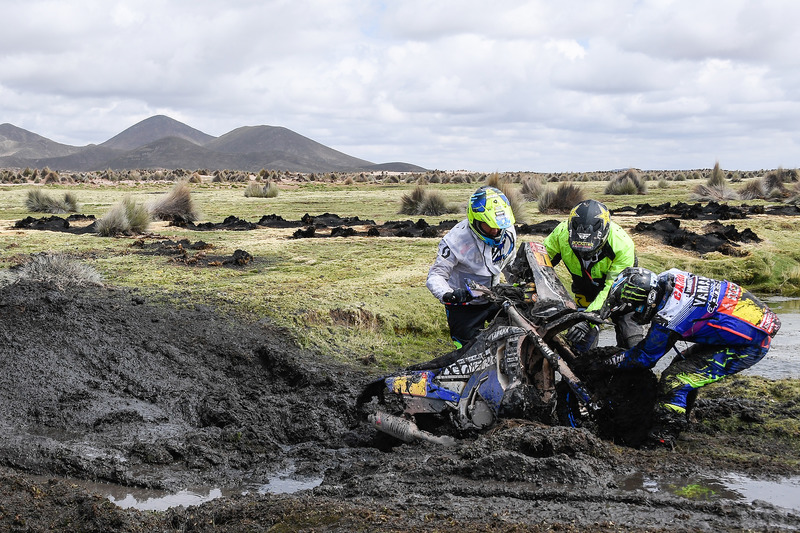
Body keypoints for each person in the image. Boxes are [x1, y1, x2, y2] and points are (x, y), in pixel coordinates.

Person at [601, 266, 781, 448]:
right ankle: (682, 419)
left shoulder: (670, 315)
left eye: (635, 308)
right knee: (682, 364)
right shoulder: (669, 276)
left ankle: (663, 439)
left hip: (749, 345)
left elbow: (645, 357)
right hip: (745, 320)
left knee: (676, 379)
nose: (635, 313)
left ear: (648, 300)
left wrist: (607, 363)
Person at [543, 199, 644, 350]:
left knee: (631, 342)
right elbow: (540, 261)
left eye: (590, 251)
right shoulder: (561, 233)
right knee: (579, 344)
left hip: (621, 292)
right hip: (584, 289)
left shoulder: (622, 245)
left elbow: (612, 290)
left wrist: (588, 320)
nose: (584, 254)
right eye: (579, 250)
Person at [426, 186, 517, 349]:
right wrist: (449, 295)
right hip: (464, 303)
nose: (495, 231)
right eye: (488, 226)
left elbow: (511, 264)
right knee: (467, 352)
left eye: (498, 225)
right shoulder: (454, 240)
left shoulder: (507, 231)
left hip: (496, 297)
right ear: (475, 220)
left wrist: (520, 284)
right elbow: (436, 276)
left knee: (515, 340)